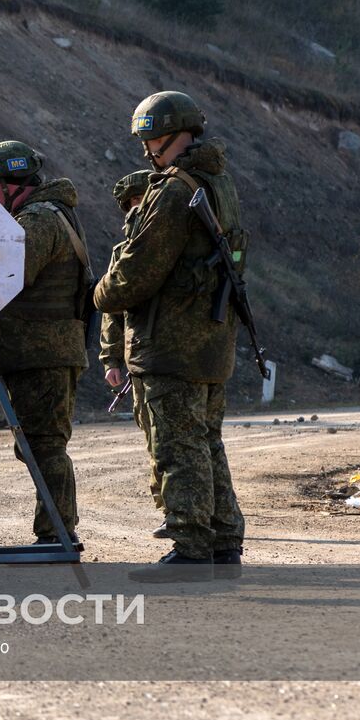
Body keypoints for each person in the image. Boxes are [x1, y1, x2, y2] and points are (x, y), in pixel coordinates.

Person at [94, 90, 247, 582]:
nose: (147, 150)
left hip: (171, 342)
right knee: (206, 441)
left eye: (153, 138)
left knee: (178, 446)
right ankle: (223, 542)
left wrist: (98, 293)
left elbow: (135, 275)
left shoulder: (174, 191)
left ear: (177, 133)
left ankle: (191, 548)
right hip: (211, 337)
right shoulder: (218, 183)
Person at [0, 141, 90, 548]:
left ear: (9, 185)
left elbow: (7, 274)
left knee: (44, 445)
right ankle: (56, 530)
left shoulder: (38, 220)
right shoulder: (41, 215)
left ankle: (58, 533)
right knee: (38, 445)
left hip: (45, 354)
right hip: (39, 353)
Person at [99, 169, 165, 538]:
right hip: (137, 354)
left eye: (138, 203)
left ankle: (181, 511)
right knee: (152, 432)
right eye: (129, 206)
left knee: (167, 436)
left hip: (162, 353)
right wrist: (111, 359)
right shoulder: (123, 252)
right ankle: (168, 507)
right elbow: (113, 312)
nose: (133, 211)